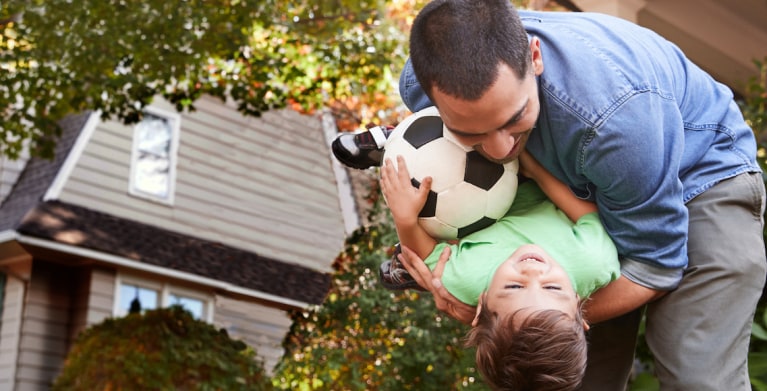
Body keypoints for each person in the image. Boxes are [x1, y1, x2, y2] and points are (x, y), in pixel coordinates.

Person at [334, 1, 766, 389]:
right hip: (573, 190)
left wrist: (500, 318)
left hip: (697, 175)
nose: (501, 148)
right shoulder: (424, 81)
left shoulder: (615, 122)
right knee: (560, 379)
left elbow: (655, 265)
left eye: (514, 118)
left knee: (696, 372)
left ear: (535, 58)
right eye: (471, 131)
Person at [381, 147, 620, 390]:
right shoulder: (593, 261)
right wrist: (537, 171)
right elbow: (590, 217)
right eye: (553, 287)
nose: (533, 272)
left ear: (481, 304)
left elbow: (424, 255)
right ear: (580, 308)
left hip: (468, 187)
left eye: (514, 286)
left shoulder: (466, 281)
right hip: (550, 174)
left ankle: (391, 144)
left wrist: (404, 218)